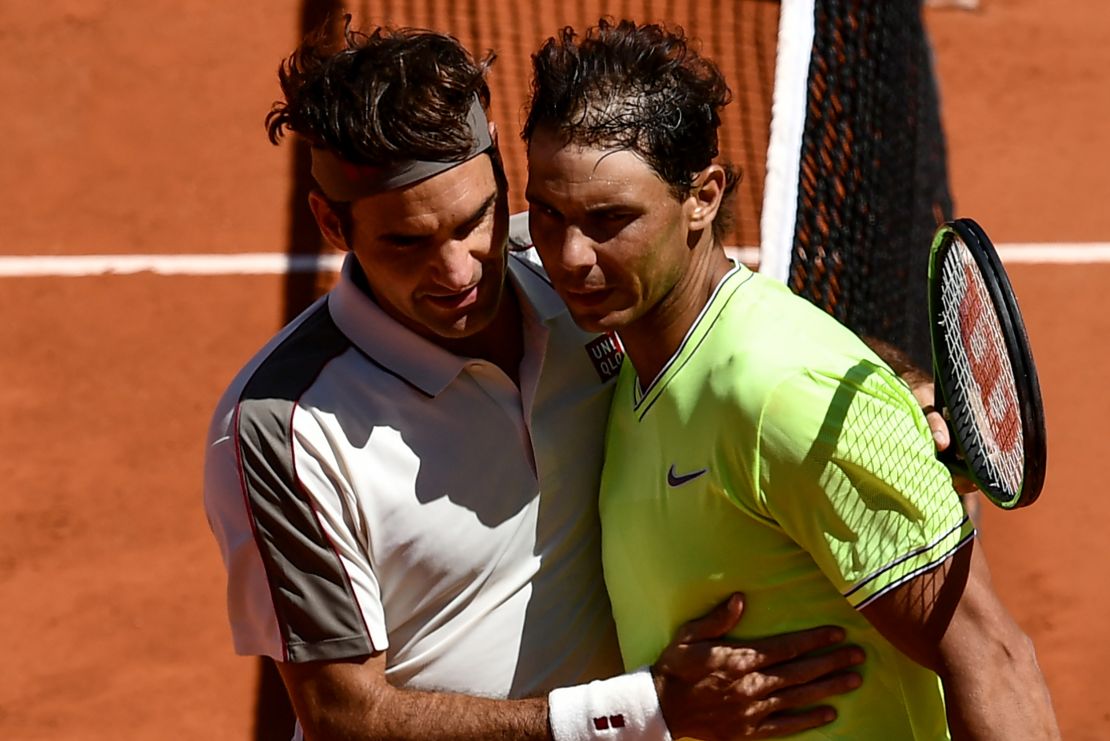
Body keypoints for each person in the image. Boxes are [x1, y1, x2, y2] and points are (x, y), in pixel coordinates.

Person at [203, 20, 871, 741]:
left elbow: (736, 330)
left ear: (502, 177)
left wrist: (881, 393)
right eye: (408, 241)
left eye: (475, 218)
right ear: (332, 225)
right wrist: (641, 712)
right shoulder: (280, 427)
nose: (459, 271)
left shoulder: (572, 275)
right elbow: (344, 714)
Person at [521, 18, 1060, 740]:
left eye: (609, 219)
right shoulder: (635, 358)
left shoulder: (780, 394)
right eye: (547, 213)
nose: (570, 255)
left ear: (704, 197)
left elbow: (995, 658)